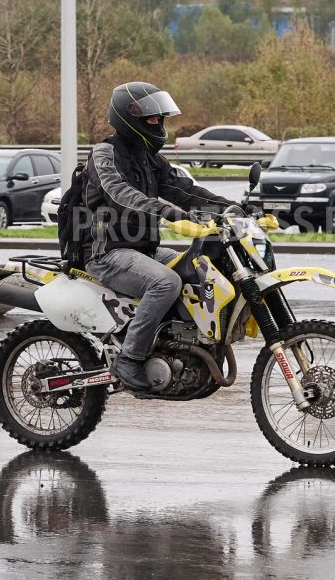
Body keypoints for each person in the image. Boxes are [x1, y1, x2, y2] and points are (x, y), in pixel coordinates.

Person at [85, 82, 245, 391]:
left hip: (143, 250)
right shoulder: (104, 153)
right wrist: (169, 213)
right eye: (151, 118)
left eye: (160, 118)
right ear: (128, 118)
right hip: (107, 252)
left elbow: (184, 190)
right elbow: (119, 193)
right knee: (166, 282)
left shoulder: (148, 157)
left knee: (198, 269)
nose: (158, 123)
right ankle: (130, 358)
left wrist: (234, 208)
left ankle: (177, 347)